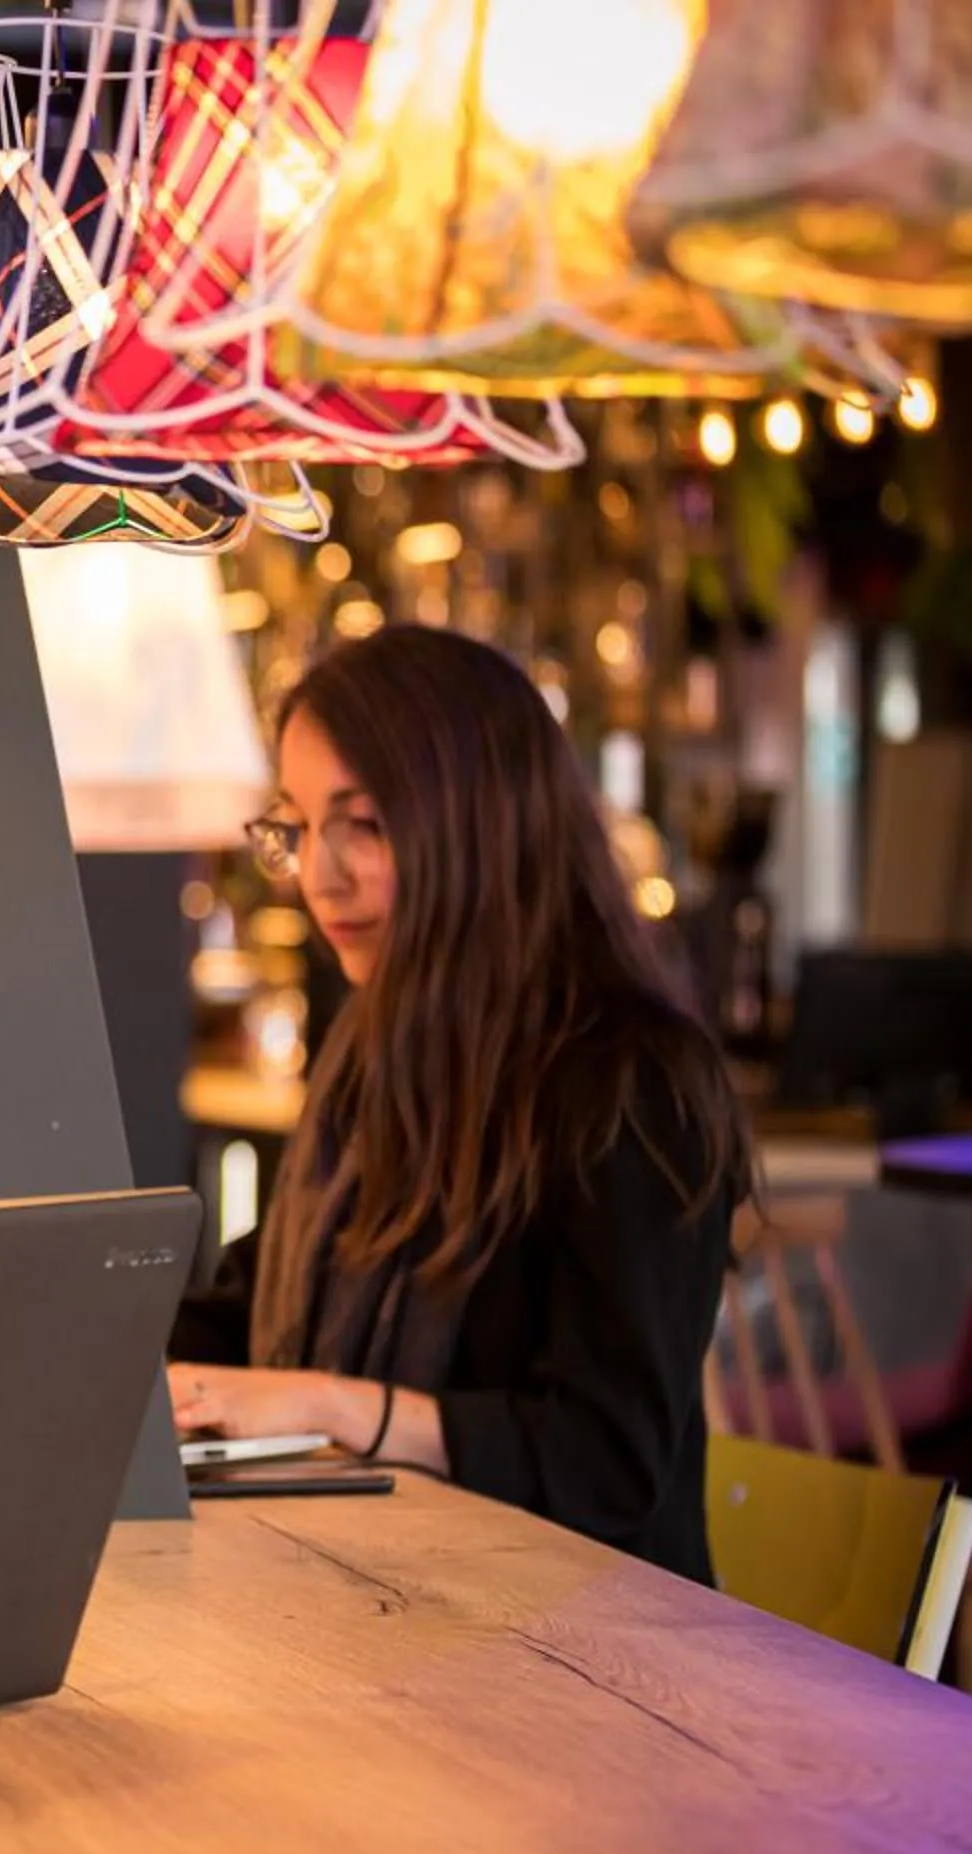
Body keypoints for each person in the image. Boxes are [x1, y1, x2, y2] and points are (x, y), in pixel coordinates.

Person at [168, 626, 750, 1583]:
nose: (322, 875)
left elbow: (603, 1459)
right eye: (302, 826)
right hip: (390, 1598)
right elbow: (262, 1301)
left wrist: (332, 1406)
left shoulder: (633, 1080)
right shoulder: (378, 1052)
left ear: (484, 824)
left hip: (594, 1659)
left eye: (368, 825)